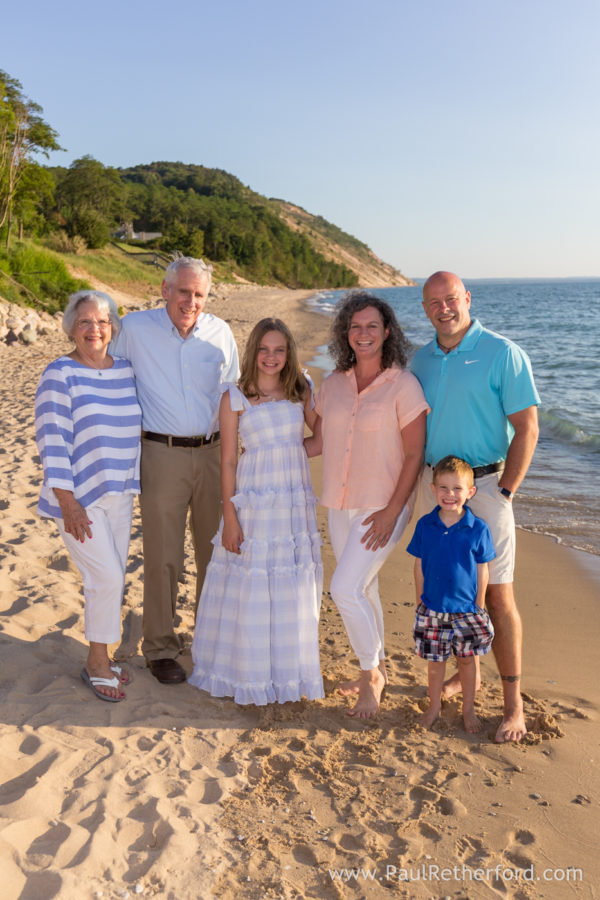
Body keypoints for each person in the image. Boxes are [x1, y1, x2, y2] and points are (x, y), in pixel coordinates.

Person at [411, 271, 540, 742]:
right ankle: (460, 675)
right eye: (433, 302)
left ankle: (513, 705)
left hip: (486, 487)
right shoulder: (420, 359)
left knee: (496, 595)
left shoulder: (502, 353)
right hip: (435, 488)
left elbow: (527, 428)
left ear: (467, 298)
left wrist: (504, 492)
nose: (443, 308)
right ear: (424, 307)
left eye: (451, 299)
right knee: (445, 589)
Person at [111, 257, 239, 684]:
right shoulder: (134, 330)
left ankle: (209, 641)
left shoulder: (221, 333)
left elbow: (235, 397)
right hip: (160, 454)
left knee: (214, 553)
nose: (191, 301)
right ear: (165, 290)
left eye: (199, 294)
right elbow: (105, 374)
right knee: (164, 555)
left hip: (214, 454)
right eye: (183, 292)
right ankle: (161, 647)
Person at [189, 318, 324, 704]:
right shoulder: (234, 397)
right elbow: (228, 461)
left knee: (290, 580)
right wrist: (230, 517)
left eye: (279, 349)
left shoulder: (301, 390)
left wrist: (291, 453)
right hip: (253, 498)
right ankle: (246, 671)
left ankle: (287, 669)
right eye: (264, 349)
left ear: (289, 353)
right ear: (253, 352)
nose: (271, 357)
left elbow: (324, 437)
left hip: (292, 499)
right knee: (251, 578)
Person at [311, 292, 429, 718]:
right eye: (356, 326)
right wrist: (257, 441)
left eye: (372, 326)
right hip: (339, 506)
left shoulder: (403, 384)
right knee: (364, 588)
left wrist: (393, 511)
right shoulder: (333, 384)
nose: (363, 333)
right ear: (346, 332)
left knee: (343, 589)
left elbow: (415, 454)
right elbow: (319, 442)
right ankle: (377, 665)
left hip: (382, 507)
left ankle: (371, 675)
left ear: (387, 332)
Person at [35, 290, 142, 702]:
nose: (94, 329)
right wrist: (67, 502)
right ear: (71, 330)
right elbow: (52, 442)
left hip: (119, 493)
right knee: (108, 576)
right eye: (84, 322)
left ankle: (103, 655)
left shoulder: (126, 370)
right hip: (78, 499)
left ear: (112, 327)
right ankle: (96, 664)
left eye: (101, 322)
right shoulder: (59, 374)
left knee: (110, 579)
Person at [407, 456, 496, 733]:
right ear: (433, 490)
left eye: (457, 489)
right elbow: (419, 564)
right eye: (443, 488)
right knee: (435, 665)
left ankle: (467, 710)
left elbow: (483, 569)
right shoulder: (425, 525)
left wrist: (479, 604)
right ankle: (434, 706)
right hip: (432, 607)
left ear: (471, 492)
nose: (450, 494)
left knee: (467, 662)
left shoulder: (478, 528)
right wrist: (420, 597)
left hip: (467, 609)